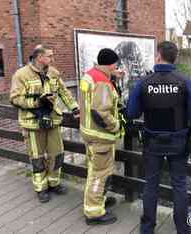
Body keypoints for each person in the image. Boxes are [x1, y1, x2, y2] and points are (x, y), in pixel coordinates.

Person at [126, 41, 191, 234]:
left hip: (152, 141)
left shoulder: (143, 83)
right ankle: (183, 228)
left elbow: (132, 112)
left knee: (151, 184)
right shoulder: (186, 82)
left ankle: (147, 229)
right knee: (179, 184)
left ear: (158, 56)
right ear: (174, 57)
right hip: (179, 141)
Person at [10, 45, 79, 203]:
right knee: (37, 157)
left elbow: (63, 92)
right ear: (39, 57)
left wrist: (74, 107)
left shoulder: (53, 73)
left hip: (53, 121)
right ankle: (41, 188)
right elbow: (14, 99)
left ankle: (54, 183)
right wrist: (36, 102)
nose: (52, 59)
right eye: (50, 56)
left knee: (57, 154)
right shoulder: (21, 75)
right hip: (32, 123)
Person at [79, 48, 125, 225]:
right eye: (116, 65)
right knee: (99, 174)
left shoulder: (90, 75)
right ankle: (94, 212)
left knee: (94, 170)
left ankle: (99, 200)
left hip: (89, 132)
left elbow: (92, 103)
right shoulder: (102, 82)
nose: (117, 68)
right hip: (101, 136)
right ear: (112, 64)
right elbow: (101, 112)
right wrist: (117, 126)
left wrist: (113, 78)